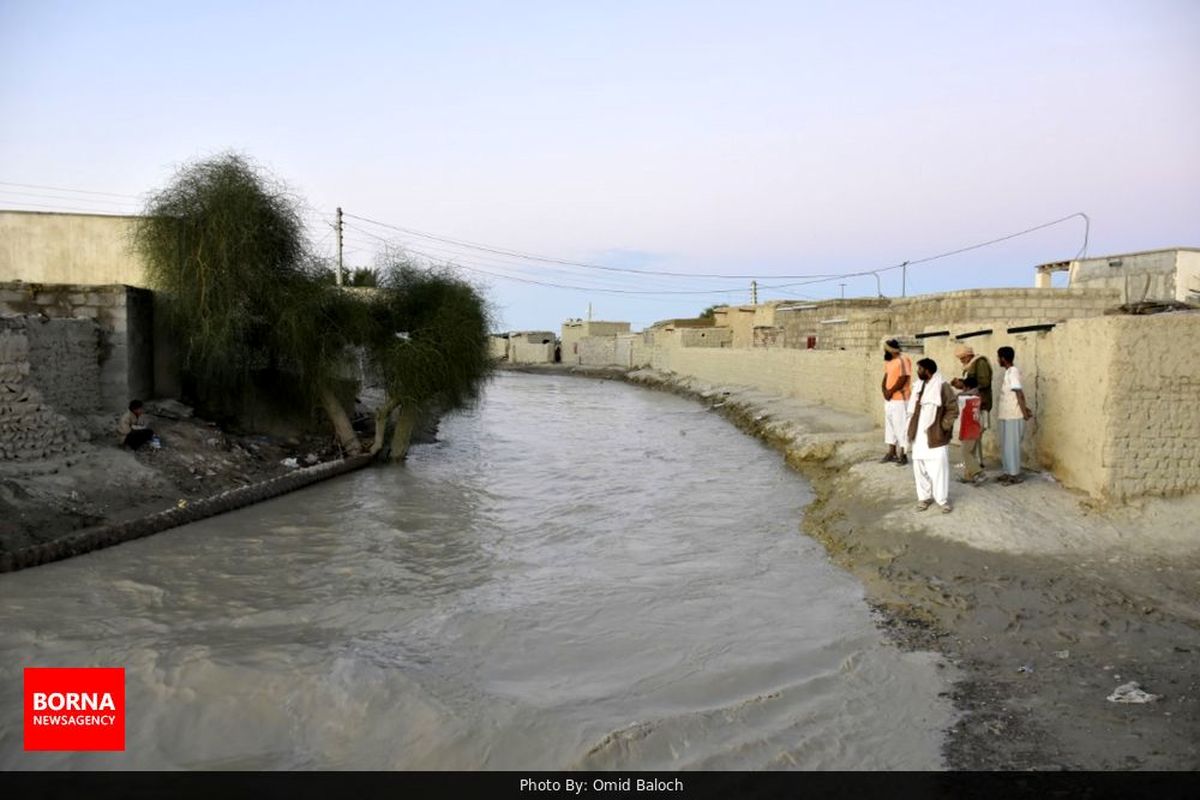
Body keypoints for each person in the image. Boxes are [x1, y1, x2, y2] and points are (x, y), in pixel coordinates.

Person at [906, 358, 959, 513]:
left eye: (920, 369)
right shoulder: (919, 386)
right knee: (919, 468)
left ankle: (942, 500)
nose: (918, 371)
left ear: (928, 371)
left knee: (939, 468)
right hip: (919, 435)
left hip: (935, 435)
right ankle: (924, 498)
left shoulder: (943, 386)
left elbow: (953, 409)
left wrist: (944, 426)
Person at [950, 344, 992, 482]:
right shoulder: (972, 365)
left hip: (978, 406)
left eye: (962, 358)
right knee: (971, 444)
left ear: (968, 355)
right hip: (973, 406)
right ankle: (970, 474)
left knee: (969, 445)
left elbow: (983, 383)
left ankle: (976, 472)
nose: (961, 360)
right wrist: (963, 384)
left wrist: (964, 385)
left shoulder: (980, 363)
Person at [995, 346, 1033, 484]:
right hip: (1006, 415)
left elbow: (1019, 393)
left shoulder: (1013, 372)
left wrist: (1024, 413)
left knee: (1012, 446)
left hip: (1013, 415)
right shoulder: (1008, 372)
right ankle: (1007, 472)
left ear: (1003, 359)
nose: (997, 360)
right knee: (1006, 445)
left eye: (998, 357)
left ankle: (1014, 475)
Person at [880, 339, 913, 466]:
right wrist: (884, 390)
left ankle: (903, 454)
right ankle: (891, 452)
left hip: (900, 399)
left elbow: (903, 378)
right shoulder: (890, 361)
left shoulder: (903, 360)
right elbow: (886, 376)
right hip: (890, 400)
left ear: (889, 350)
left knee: (901, 427)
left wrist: (891, 391)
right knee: (890, 426)